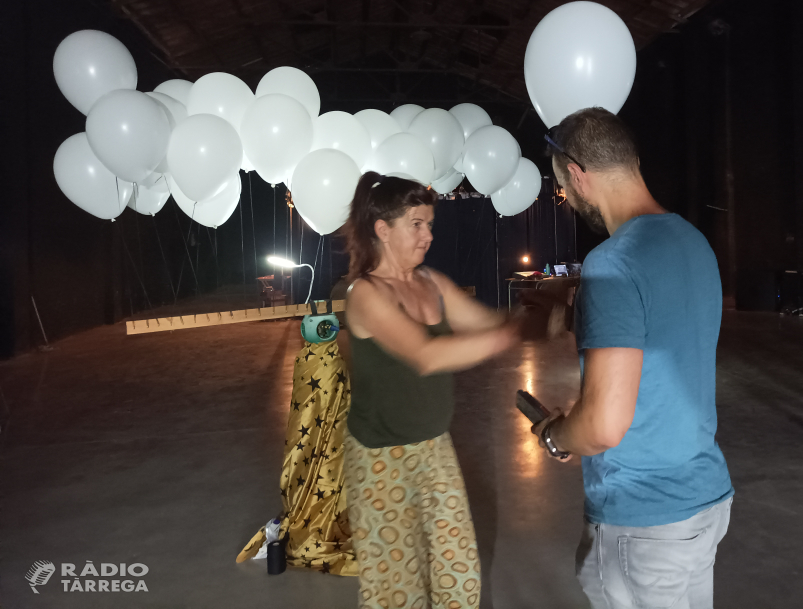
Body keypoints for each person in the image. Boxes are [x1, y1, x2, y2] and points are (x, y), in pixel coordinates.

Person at [530, 107, 734, 609]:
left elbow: (602, 425)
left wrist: (556, 436)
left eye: (563, 190)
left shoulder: (612, 263)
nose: (568, 201)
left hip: (644, 521)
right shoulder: (694, 242)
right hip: (705, 500)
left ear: (578, 176)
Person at [342, 171, 541, 609]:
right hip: (381, 461)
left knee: (460, 577)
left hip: (434, 449)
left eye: (430, 224)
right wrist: (508, 336)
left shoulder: (431, 283)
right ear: (382, 229)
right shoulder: (366, 294)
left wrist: (537, 317)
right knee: (397, 590)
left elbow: (489, 322)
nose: (428, 235)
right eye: (417, 224)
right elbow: (426, 356)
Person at [237, 333, 357, 575]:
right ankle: (319, 513)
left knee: (324, 456)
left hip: (331, 445)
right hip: (323, 380)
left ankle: (320, 512)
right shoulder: (316, 364)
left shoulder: (318, 363)